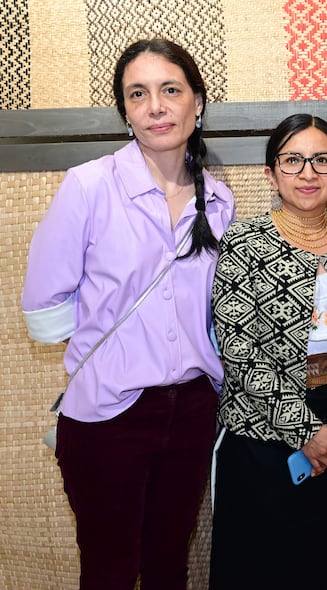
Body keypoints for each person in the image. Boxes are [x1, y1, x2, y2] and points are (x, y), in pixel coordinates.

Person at [21, 39, 235, 590]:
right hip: (108, 413)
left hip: (191, 409)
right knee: (110, 570)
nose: (156, 107)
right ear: (125, 111)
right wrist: (119, 348)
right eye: (137, 95)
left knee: (168, 567)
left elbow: (214, 310)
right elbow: (45, 308)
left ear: (198, 103)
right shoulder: (89, 186)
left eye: (170, 90)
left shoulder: (217, 199)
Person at [209, 113, 327, 590]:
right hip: (262, 442)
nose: (308, 173)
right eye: (293, 160)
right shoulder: (243, 243)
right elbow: (237, 347)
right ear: (271, 173)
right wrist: (304, 430)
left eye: (321, 160)